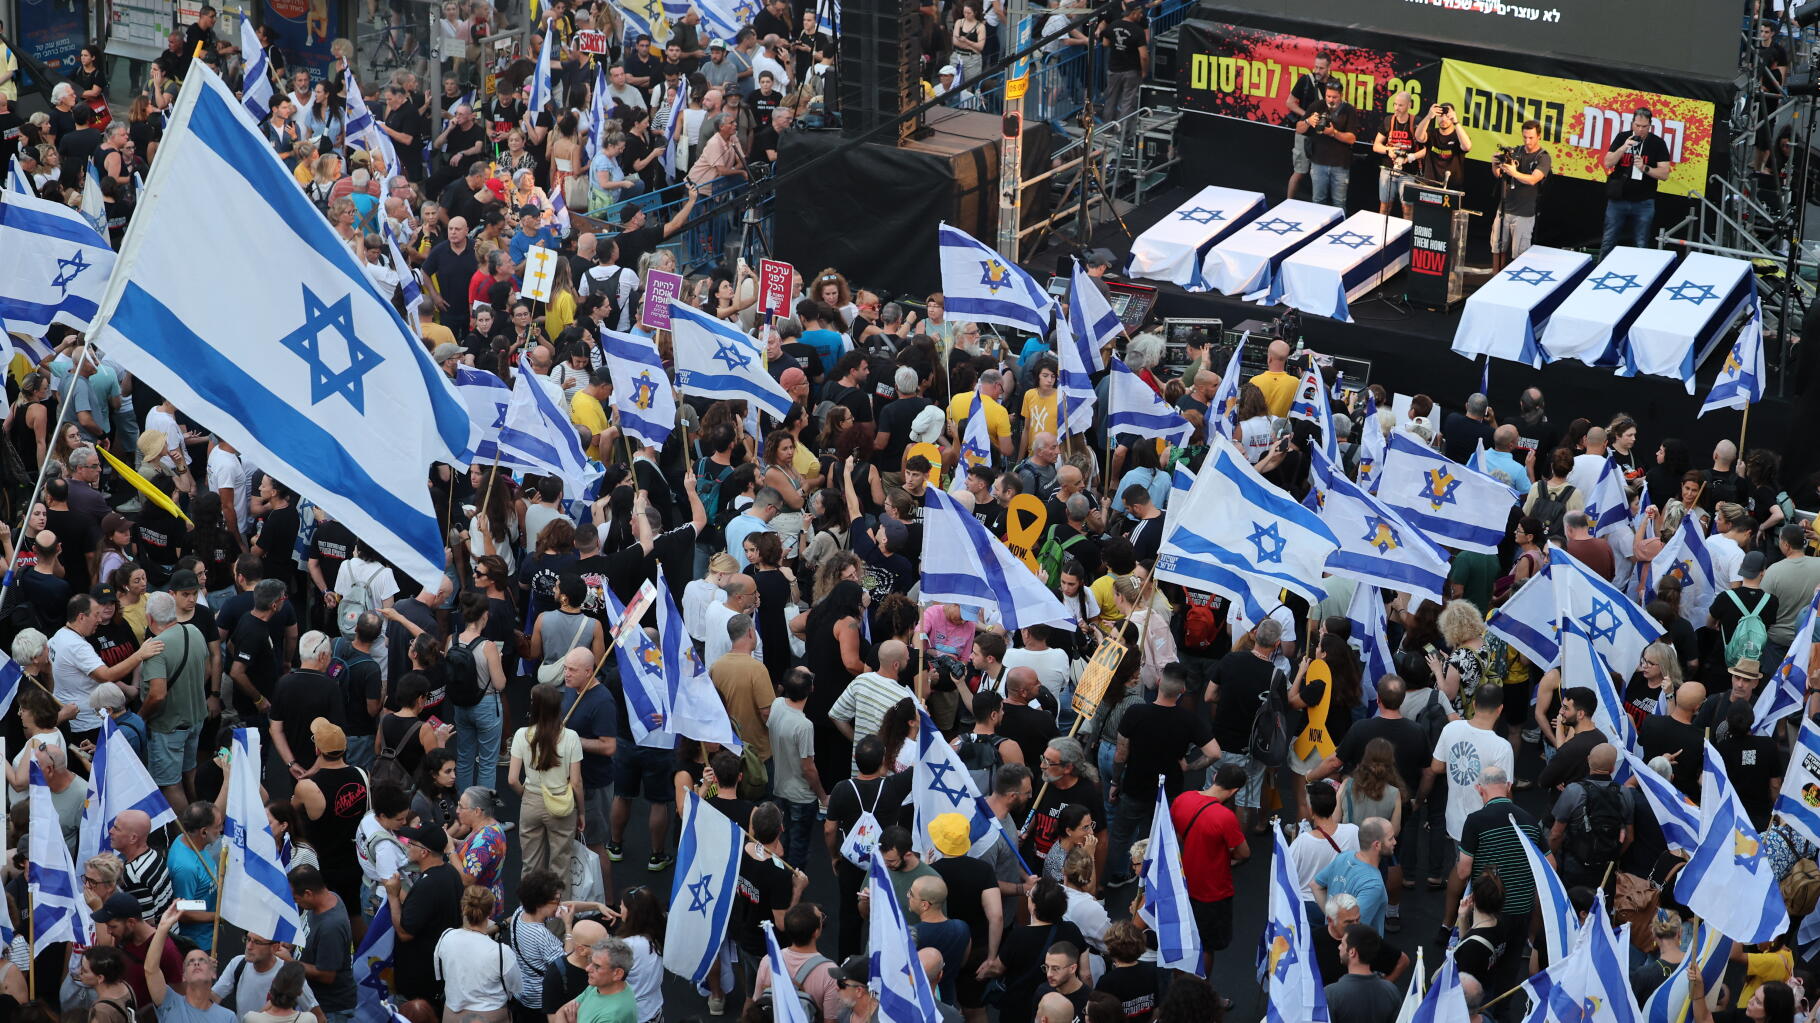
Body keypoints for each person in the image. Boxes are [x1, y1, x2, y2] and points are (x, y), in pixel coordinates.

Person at [1169, 763, 1250, 973]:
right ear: (1234, 791)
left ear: (1214, 777)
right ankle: (1201, 993)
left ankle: (1179, 984)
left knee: (1182, 939)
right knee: (1206, 946)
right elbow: (1244, 853)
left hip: (1182, 882)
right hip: (1212, 891)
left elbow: (1177, 834)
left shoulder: (1182, 799)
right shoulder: (1224, 817)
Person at [384, 821, 465, 1004]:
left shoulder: (427, 886)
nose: (407, 845)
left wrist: (393, 896)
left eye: (411, 843)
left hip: (420, 976)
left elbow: (405, 933)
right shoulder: (450, 872)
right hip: (441, 968)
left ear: (424, 852)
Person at [433, 885, 522, 1021]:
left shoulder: (446, 937)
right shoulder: (501, 952)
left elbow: (441, 976)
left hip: (452, 1015)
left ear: (463, 908)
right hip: (491, 1017)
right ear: (491, 911)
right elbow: (516, 988)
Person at [1598, 107, 1675, 261]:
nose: (1640, 129)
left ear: (1650, 126)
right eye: (1637, 125)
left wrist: (1644, 168)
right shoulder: (1622, 137)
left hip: (1644, 202)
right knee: (1608, 240)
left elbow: (1664, 174)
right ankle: (1598, 270)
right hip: (1618, 200)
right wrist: (1623, 148)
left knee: (1641, 243)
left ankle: (1639, 275)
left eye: (1644, 127)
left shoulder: (1657, 143)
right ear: (1632, 123)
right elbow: (1607, 163)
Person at [143, 903, 236, 1023]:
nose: (196, 963)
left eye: (202, 960)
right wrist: (162, 927)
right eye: (190, 962)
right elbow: (151, 970)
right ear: (184, 976)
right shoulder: (169, 1001)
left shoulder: (228, 1017)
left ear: (213, 972)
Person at [286, 864, 357, 1020]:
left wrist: (290, 962)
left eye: (296, 899)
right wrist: (293, 942)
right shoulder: (329, 897)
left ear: (308, 893)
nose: (296, 903)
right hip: (315, 1001)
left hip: (331, 1009)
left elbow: (327, 975)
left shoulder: (331, 927)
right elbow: (309, 931)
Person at [1493, 118, 1551, 270]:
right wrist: (1495, 164)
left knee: (1520, 255)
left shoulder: (1543, 157)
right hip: (1504, 209)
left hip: (1524, 213)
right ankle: (1493, 279)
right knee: (1497, 249)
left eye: (1531, 137)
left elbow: (1533, 180)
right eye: (1525, 137)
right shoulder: (1516, 151)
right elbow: (1499, 174)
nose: (1527, 141)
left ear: (1539, 136)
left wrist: (1515, 172)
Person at [1296, 78, 1358, 207]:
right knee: (1318, 201)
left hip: (1340, 165)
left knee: (1339, 203)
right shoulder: (1316, 106)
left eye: (1334, 97)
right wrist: (1308, 121)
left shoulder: (1349, 110)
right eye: (1328, 96)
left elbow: (1352, 138)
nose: (1330, 100)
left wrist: (1333, 133)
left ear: (1341, 95)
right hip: (1318, 163)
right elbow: (1298, 128)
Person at [1323, 923, 1401, 1023]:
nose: (1339, 947)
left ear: (1352, 952)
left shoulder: (1331, 994)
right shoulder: (1391, 991)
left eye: (1342, 944)